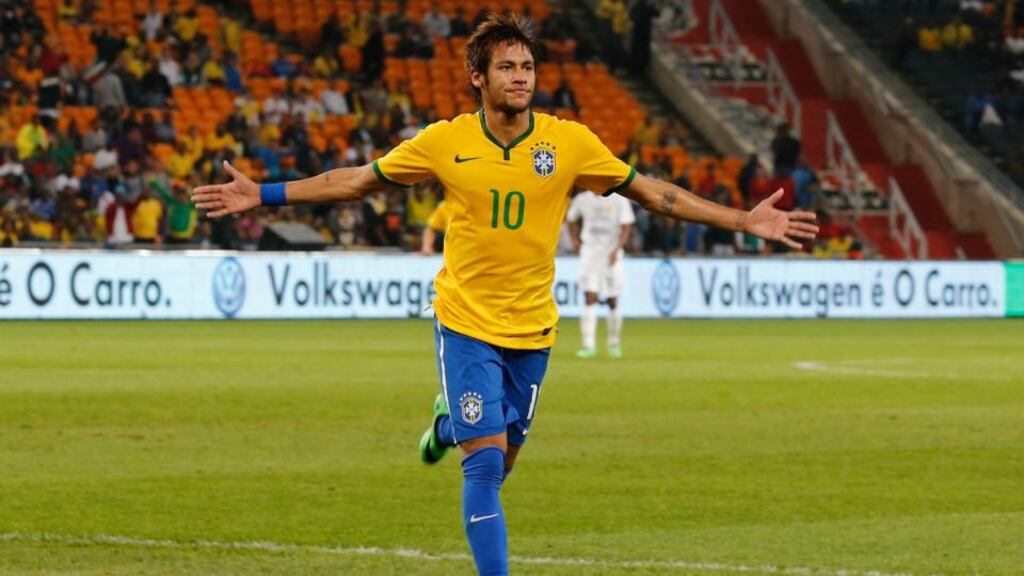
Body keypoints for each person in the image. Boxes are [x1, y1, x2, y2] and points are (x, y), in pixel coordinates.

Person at [191, 14, 817, 576]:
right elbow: (355, 181)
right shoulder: (445, 141)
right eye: (507, 67)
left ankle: (446, 425)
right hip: (465, 321)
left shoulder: (570, 143)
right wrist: (264, 194)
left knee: (504, 462)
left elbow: (656, 194)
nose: (521, 77)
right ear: (478, 78)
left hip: (532, 330)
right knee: (485, 465)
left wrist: (743, 220)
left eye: (527, 66)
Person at [566, 189, 635, 358]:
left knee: (612, 299)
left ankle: (614, 343)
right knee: (590, 297)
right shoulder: (582, 199)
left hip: (611, 253)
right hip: (590, 252)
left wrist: (617, 249)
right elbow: (570, 219)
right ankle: (589, 345)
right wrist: (574, 240)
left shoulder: (619, 199)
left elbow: (626, 226)